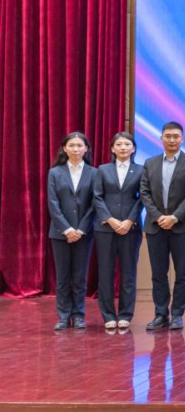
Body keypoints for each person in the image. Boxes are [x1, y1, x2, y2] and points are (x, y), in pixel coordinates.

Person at [140, 121, 185, 331]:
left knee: (181, 273)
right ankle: (160, 314)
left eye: (176, 136)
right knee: (158, 273)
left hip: (182, 226)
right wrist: (159, 216)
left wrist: (174, 217)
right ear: (161, 139)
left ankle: (177, 315)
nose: (172, 140)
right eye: (168, 136)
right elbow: (145, 193)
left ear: (182, 139)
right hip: (155, 226)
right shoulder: (150, 163)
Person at [93, 131, 144, 330]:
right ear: (113, 149)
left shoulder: (141, 170)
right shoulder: (102, 170)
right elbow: (97, 197)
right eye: (119, 144)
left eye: (127, 144)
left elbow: (143, 198)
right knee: (105, 273)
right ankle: (108, 315)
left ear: (133, 149)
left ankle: (125, 314)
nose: (123, 147)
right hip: (105, 228)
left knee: (128, 273)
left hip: (131, 228)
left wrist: (130, 220)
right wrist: (110, 220)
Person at [47, 132, 97, 330]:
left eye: (79, 145)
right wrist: (67, 229)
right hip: (60, 233)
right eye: (72, 145)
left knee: (79, 276)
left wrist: (81, 229)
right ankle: (63, 316)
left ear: (86, 149)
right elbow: (53, 204)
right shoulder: (55, 173)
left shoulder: (94, 173)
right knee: (63, 277)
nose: (76, 149)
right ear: (64, 148)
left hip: (84, 233)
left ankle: (78, 315)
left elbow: (94, 204)